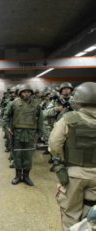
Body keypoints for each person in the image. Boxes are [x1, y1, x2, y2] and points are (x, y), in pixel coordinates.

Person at [49, 82, 96, 230]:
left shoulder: (68, 119)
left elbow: (55, 144)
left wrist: (61, 162)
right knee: (90, 214)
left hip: (74, 174)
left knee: (71, 212)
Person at [3, 84, 44, 186]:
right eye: (24, 91)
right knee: (17, 155)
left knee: (28, 156)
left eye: (28, 92)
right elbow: (6, 117)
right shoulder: (14, 104)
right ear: (20, 93)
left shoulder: (36, 104)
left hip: (30, 134)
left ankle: (26, 176)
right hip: (17, 133)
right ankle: (17, 176)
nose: (26, 93)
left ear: (31, 93)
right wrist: (7, 128)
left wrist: (39, 133)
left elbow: (41, 120)